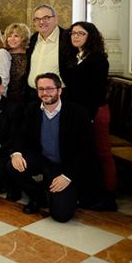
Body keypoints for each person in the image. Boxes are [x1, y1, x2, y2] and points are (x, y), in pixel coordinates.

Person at [8, 73, 92, 222]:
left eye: (49, 89)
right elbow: (20, 134)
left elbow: (86, 149)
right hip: (42, 160)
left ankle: (58, 191)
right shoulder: (31, 109)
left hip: (65, 166)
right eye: (41, 89)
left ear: (59, 90)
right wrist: (16, 153)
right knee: (13, 165)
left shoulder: (78, 113)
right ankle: (38, 197)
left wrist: (68, 176)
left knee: (61, 215)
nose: (45, 93)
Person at [61, 21, 116, 210]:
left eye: (81, 33)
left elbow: (96, 91)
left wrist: (89, 116)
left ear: (90, 36)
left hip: (95, 111)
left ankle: (109, 195)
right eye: (73, 33)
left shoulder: (98, 58)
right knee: (84, 152)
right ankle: (87, 191)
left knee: (101, 153)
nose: (75, 36)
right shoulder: (73, 57)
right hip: (78, 111)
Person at [25, 4, 71, 100]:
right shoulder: (34, 38)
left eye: (46, 18)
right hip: (33, 95)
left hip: (58, 96)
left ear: (56, 19)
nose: (41, 22)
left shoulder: (67, 38)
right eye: (37, 19)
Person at [4, 23, 30, 104]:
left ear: (24, 38)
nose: (12, 39)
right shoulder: (3, 54)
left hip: (27, 99)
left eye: (16, 36)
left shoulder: (31, 54)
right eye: (9, 36)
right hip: (6, 98)